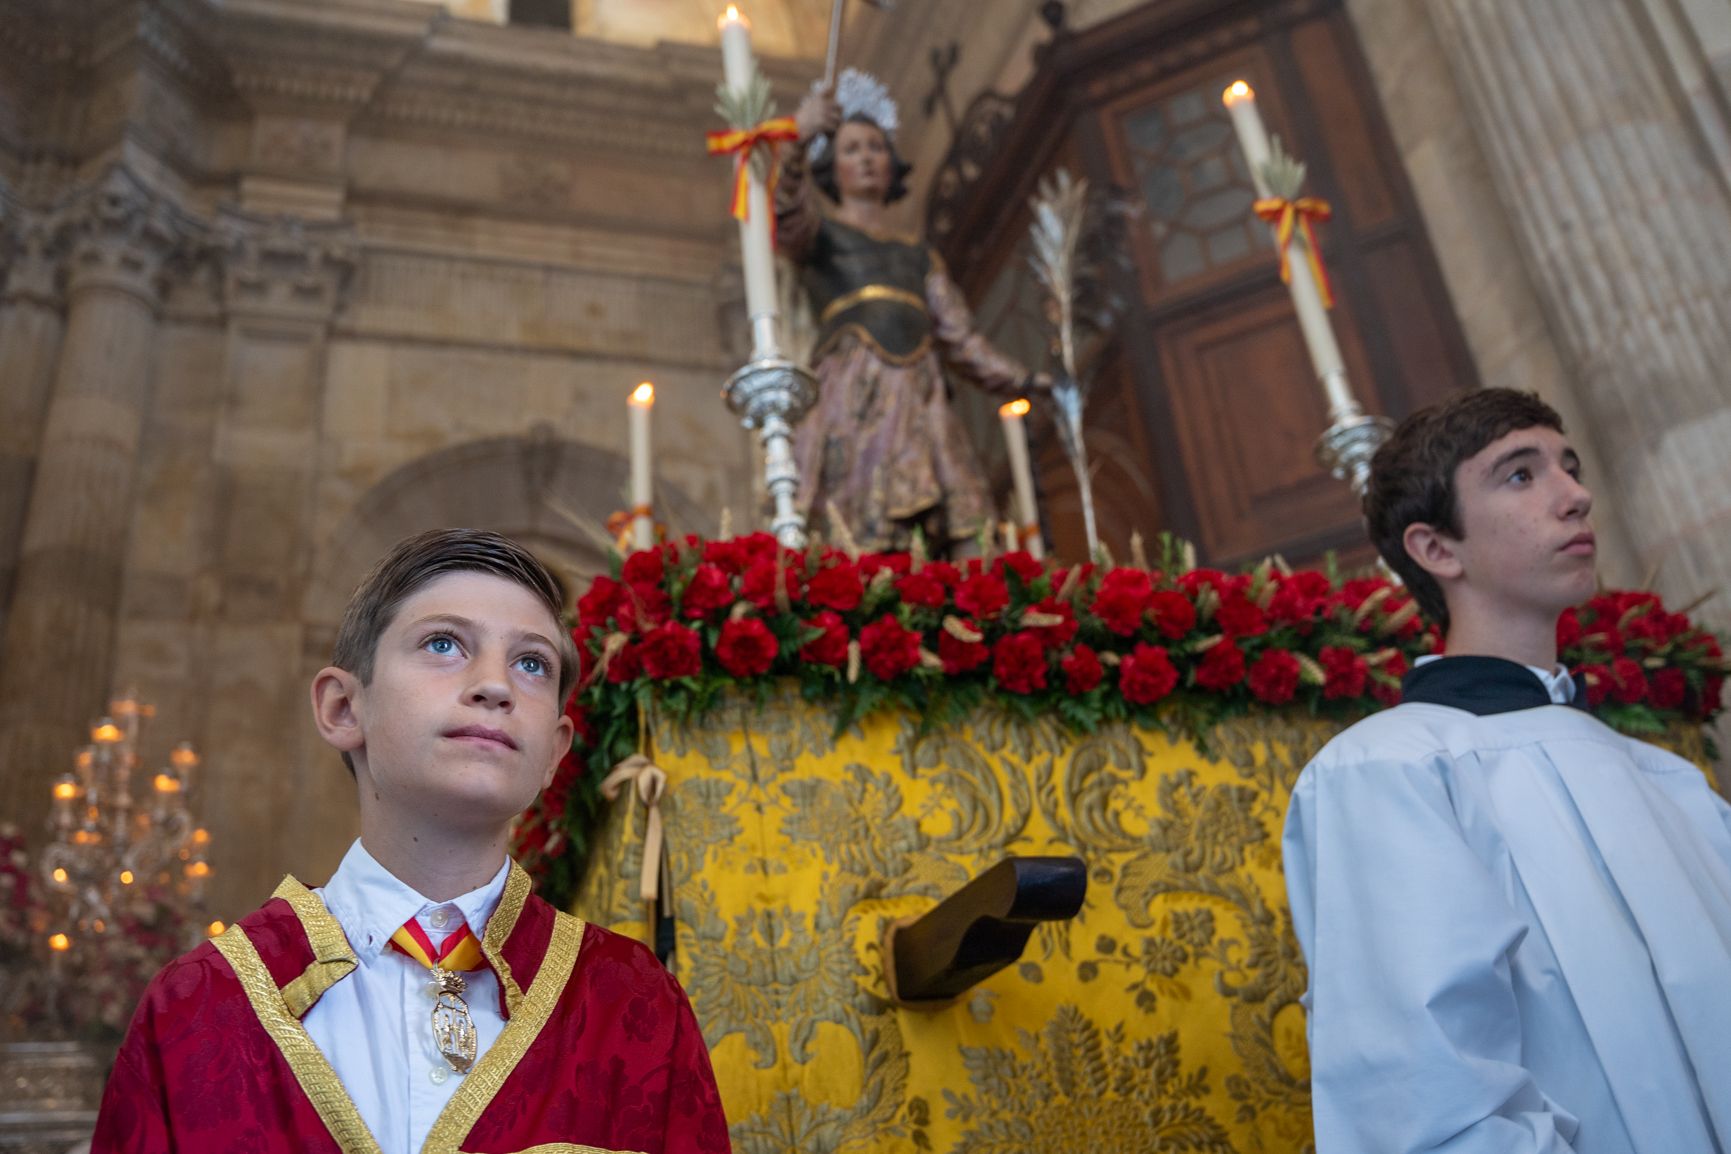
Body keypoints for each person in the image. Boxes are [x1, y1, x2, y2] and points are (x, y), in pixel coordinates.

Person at [92, 529, 730, 1154]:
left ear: (554, 753)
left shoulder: (633, 1002)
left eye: (532, 662)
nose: (495, 685)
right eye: (445, 643)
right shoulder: (200, 1005)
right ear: (344, 708)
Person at [1283, 388, 1731, 1154]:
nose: (1576, 496)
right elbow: (1425, 1098)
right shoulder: (1387, 771)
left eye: (1568, 466)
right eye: (1520, 476)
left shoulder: (1669, 781)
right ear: (1434, 549)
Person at [778, 68, 1045, 554]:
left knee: (964, 518)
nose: (866, 159)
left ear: (892, 162)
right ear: (830, 169)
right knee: (866, 523)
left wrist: (1027, 380)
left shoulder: (919, 255)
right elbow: (785, 214)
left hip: (921, 396)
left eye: (876, 148)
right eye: (851, 149)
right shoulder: (821, 238)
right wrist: (797, 141)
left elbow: (963, 340)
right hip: (857, 392)